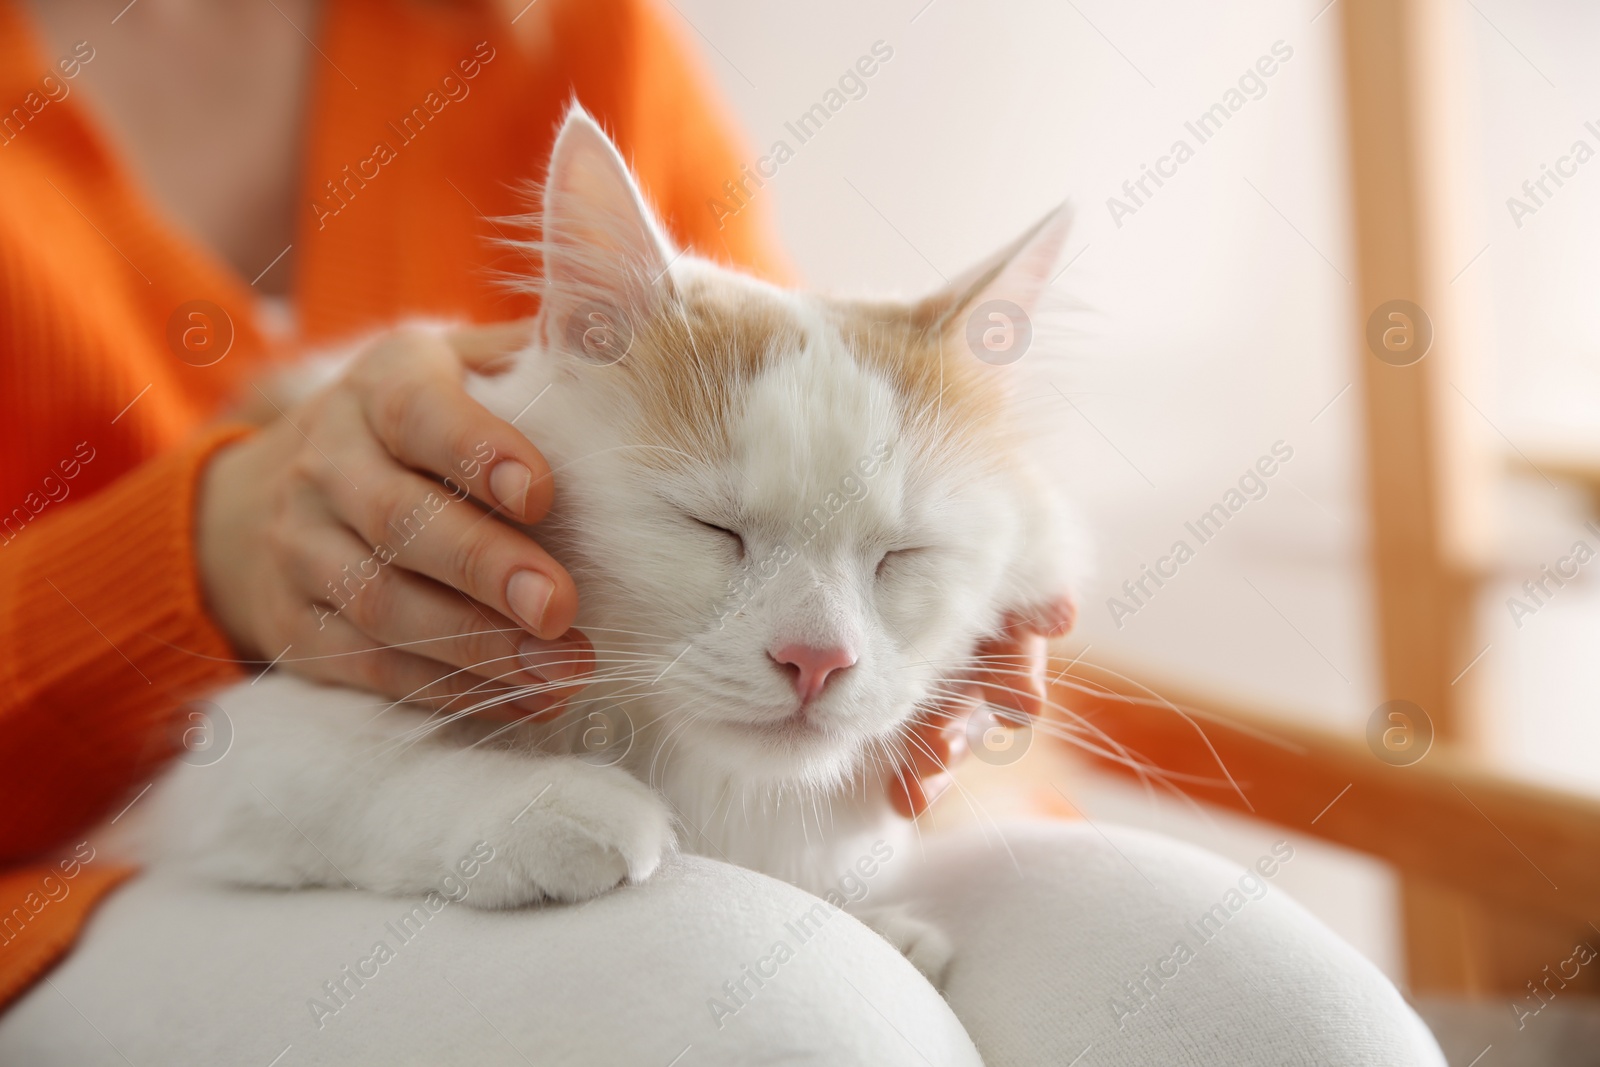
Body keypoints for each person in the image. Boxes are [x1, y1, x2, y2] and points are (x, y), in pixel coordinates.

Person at [0, 1, 1446, 1063]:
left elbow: (813, 431)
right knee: (783, 1033)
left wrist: (962, 685)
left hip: (742, 836)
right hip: (96, 873)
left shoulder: (561, 34)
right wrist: (189, 560)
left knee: (1270, 1021)